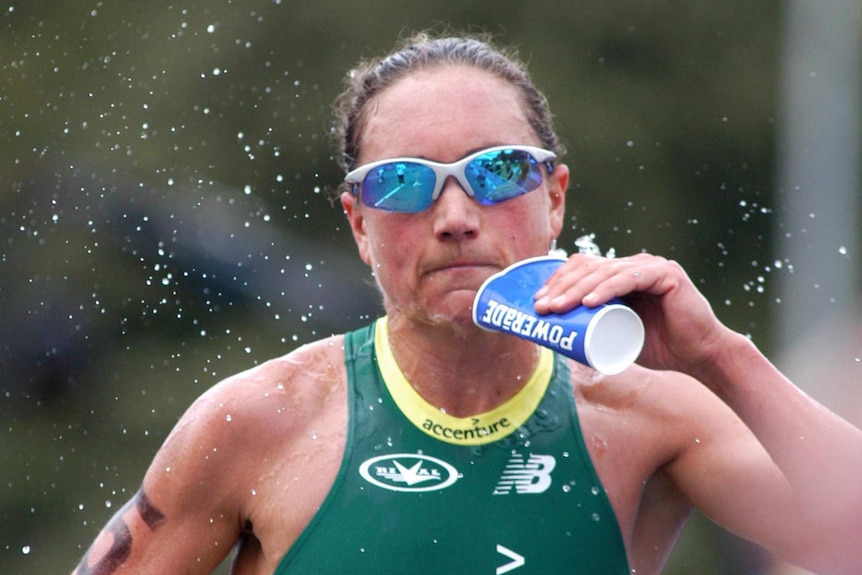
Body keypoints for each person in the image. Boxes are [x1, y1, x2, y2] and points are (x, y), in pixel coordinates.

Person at [70, 32, 862, 575]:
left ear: (554, 197)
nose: (454, 216)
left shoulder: (650, 413)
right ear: (359, 226)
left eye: (496, 172)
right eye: (405, 184)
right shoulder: (261, 421)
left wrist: (719, 356)